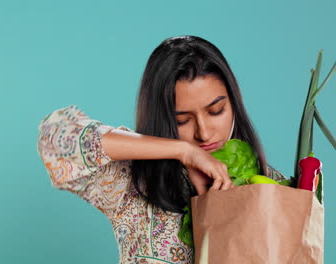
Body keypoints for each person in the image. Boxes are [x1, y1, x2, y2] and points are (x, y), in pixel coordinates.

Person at [36, 35, 286, 264]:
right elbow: (54, 137)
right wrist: (183, 151)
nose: (204, 133)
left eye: (215, 111)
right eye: (182, 120)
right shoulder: (132, 183)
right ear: (162, 118)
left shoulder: (272, 188)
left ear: (234, 104)